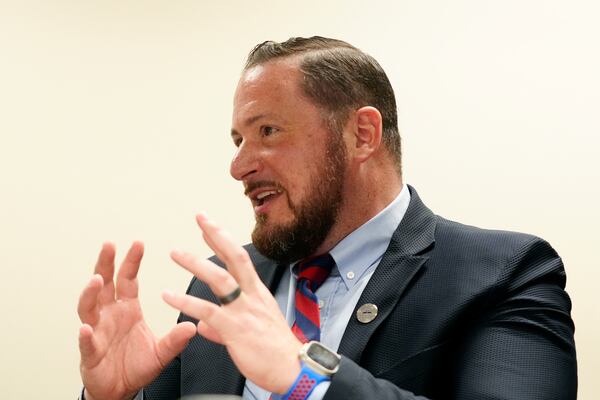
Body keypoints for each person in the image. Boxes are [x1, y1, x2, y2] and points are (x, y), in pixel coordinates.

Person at [77, 36, 577, 400]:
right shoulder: (222, 285)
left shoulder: (505, 272)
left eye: (268, 130)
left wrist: (303, 375)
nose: (239, 166)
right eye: (237, 140)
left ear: (362, 134)